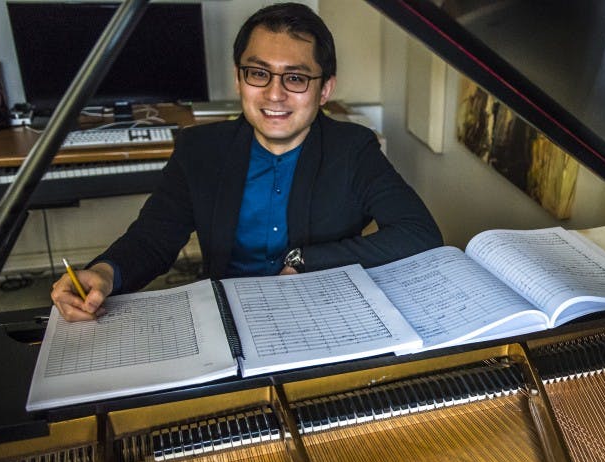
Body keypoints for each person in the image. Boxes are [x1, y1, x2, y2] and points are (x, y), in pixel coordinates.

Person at [51, 2, 442, 322]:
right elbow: (153, 239)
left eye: (295, 78)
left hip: (321, 312)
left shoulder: (353, 148)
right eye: (258, 74)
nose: (274, 95)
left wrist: (305, 260)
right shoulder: (199, 149)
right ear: (239, 80)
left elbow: (419, 233)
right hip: (228, 316)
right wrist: (103, 272)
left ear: (325, 90)